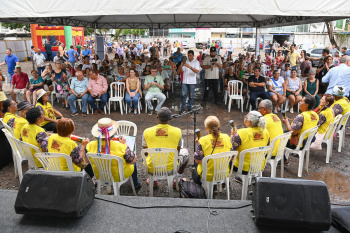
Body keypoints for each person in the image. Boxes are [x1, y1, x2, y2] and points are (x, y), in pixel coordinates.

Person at [87, 118, 141, 190]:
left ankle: (108, 188)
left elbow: (87, 162)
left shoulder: (90, 145)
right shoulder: (121, 147)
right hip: (118, 176)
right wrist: (126, 144)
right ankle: (136, 184)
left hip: (100, 175)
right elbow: (133, 160)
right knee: (132, 163)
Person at [142, 107, 189, 187]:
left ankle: (153, 180)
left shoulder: (147, 131)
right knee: (185, 151)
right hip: (170, 168)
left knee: (148, 156)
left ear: (157, 117)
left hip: (152, 168)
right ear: (170, 118)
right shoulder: (178, 131)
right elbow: (177, 152)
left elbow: (146, 152)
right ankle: (176, 179)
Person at [192, 115, 232, 185]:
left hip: (208, 175)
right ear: (218, 126)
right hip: (224, 173)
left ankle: (200, 189)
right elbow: (231, 156)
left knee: (196, 167)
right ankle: (218, 185)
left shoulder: (203, 140)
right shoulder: (226, 137)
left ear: (206, 129)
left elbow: (197, 160)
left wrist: (199, 144)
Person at [231, 111, 270, 182]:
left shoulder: (241, 133)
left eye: (245, 117)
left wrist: (232, 136)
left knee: (223, 158)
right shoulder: (265, 131)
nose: (244, 118)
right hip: (259, 166)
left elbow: (230, 150)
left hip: (242, 168)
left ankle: (223, 182)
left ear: (249, 122)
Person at [177, 50, 200, 115]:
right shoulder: (185, 62)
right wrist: (180, 66)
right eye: (188, 55)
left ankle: (189, 108)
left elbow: (197, 71)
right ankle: (183, 109)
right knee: (184, 95)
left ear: (193, 55)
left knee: (191, 96)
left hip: (192, 82)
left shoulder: (196, 62)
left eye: (190, 55)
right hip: (184, 81)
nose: (189, 57)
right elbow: (179, 72)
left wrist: (189, 66)